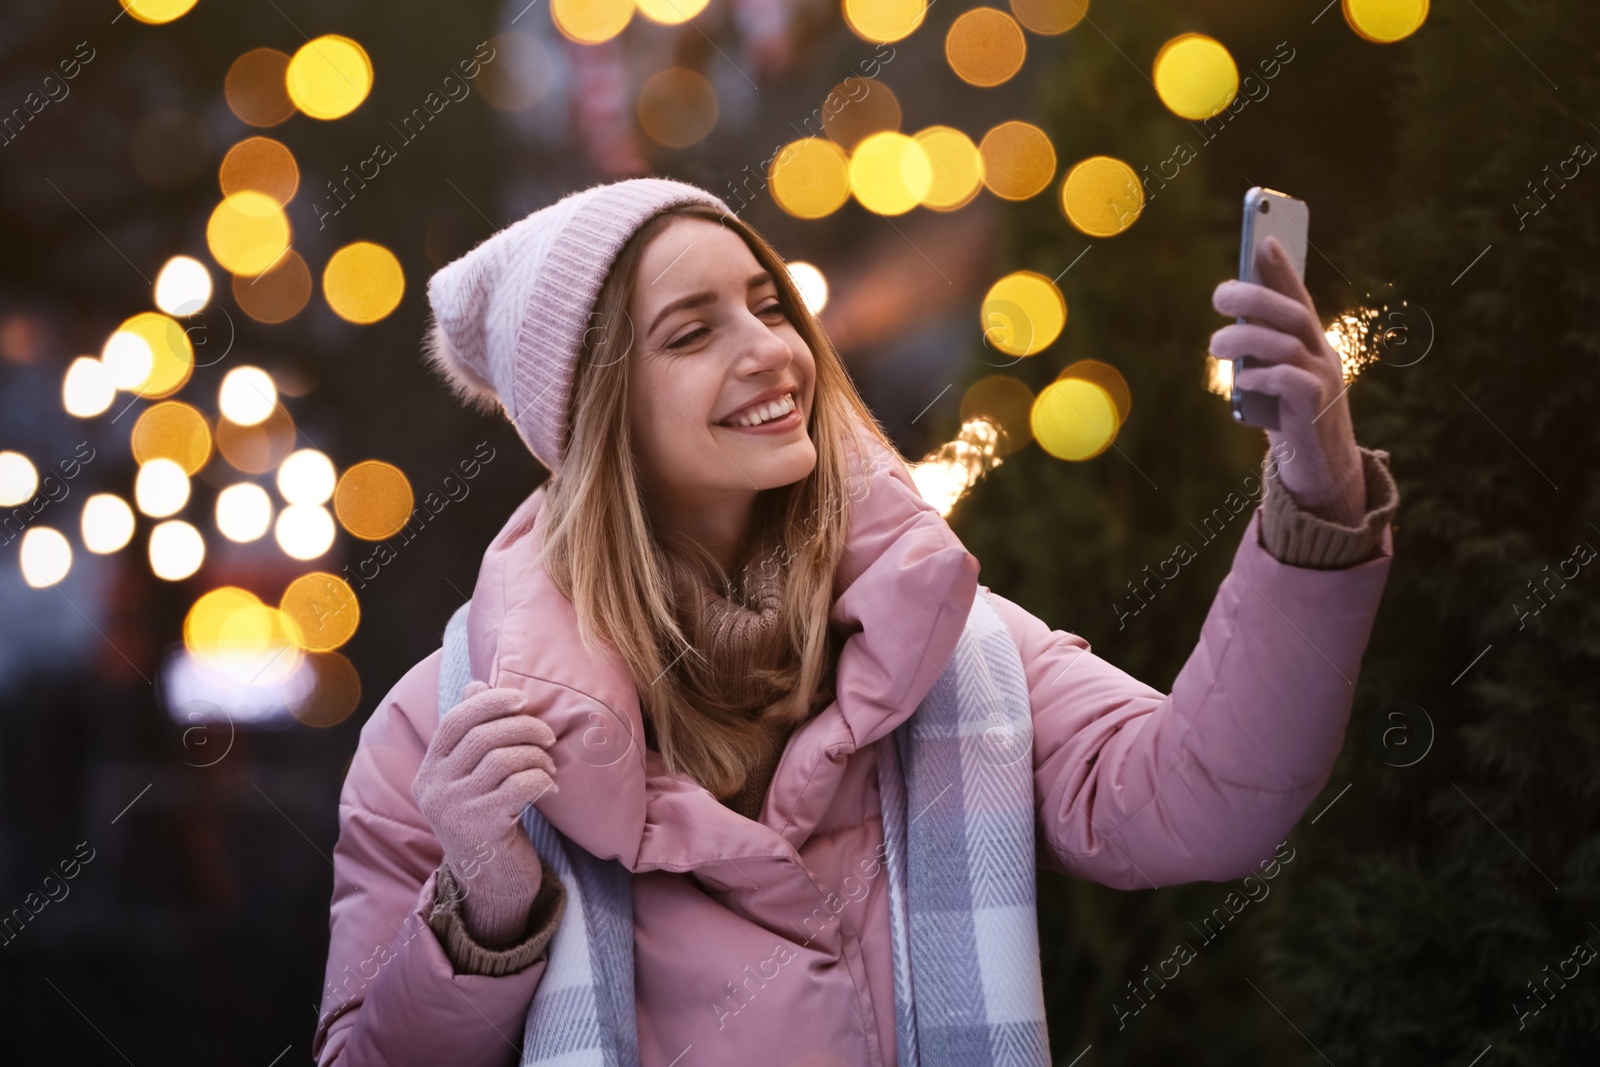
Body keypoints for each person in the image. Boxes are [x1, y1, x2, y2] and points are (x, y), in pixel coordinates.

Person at [311, 177, 1399, 1067]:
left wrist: (1316, 492)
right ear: (599, 415)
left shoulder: (946, 646)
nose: (775, 350)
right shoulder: (449, 736)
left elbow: (1205, 800)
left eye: (768, 303)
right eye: (693, 331)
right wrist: (481, 914)